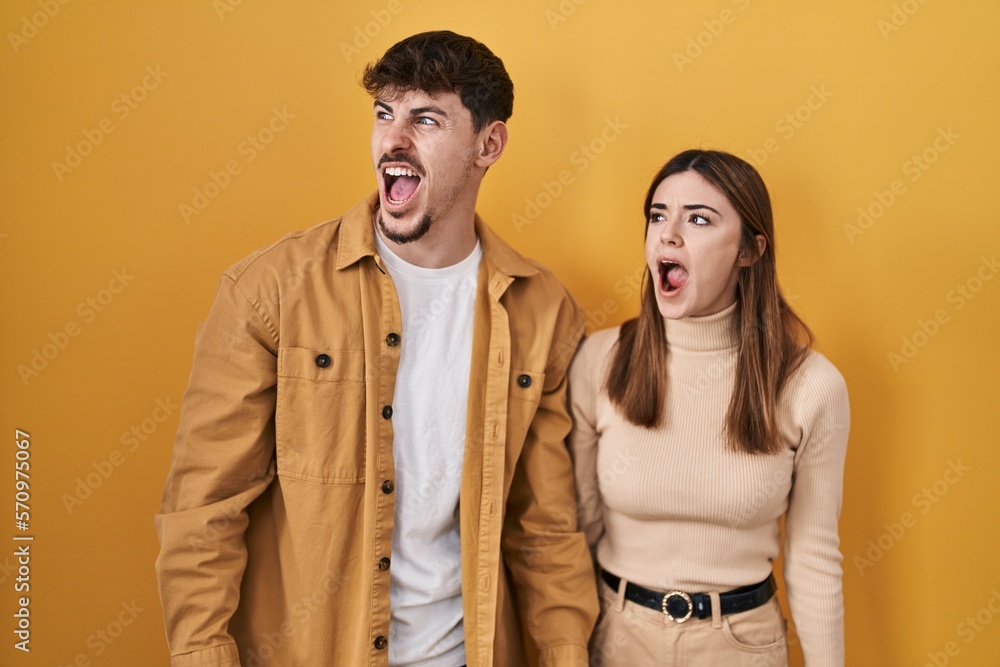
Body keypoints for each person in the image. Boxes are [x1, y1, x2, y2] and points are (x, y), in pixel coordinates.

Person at [155, 30, 598, 667]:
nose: (394, 140)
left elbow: (545, 528)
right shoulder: (270, 292)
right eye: (385, 114)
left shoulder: (543, 310)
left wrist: (564, 655)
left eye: (425, 118)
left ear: (488, 144)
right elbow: (203, 510)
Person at [568, 149, 849, 666]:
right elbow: (575, 529)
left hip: (742, 645)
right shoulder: (599, 361)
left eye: (698, 219)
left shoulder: (812, 386)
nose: (668, 235)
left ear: (749, 250)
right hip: (616, 637)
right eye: (658, 216)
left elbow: (813, 557)